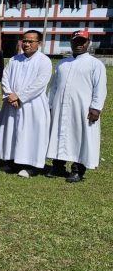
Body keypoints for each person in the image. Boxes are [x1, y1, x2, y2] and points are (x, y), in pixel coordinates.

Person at [46, 30, 108, 183]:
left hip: (83, 108)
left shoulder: (95, 64)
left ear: (88, 43)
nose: (79, 44)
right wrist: (49, 104)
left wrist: (96, 108)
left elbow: (100, 88)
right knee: (58, 134)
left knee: (81, 137)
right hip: (60, 106)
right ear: (71, 42)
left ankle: (77, 170)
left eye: (82, 41)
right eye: (76, 41)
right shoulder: (62, 63)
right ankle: (58, 166)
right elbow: (53, 86)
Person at [0, 30, 52, 178]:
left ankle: (31, 166)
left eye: (30, 41)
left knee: (30, 134)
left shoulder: (44, 61)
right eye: (24, 41)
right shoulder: (14, 60)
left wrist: (19, 97)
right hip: (11, 104)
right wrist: (10, 95)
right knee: (12, 132)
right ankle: (12, 162)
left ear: (39, 43)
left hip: (32, 104)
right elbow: (5, 78)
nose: (26, 44)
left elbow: (39, 84)